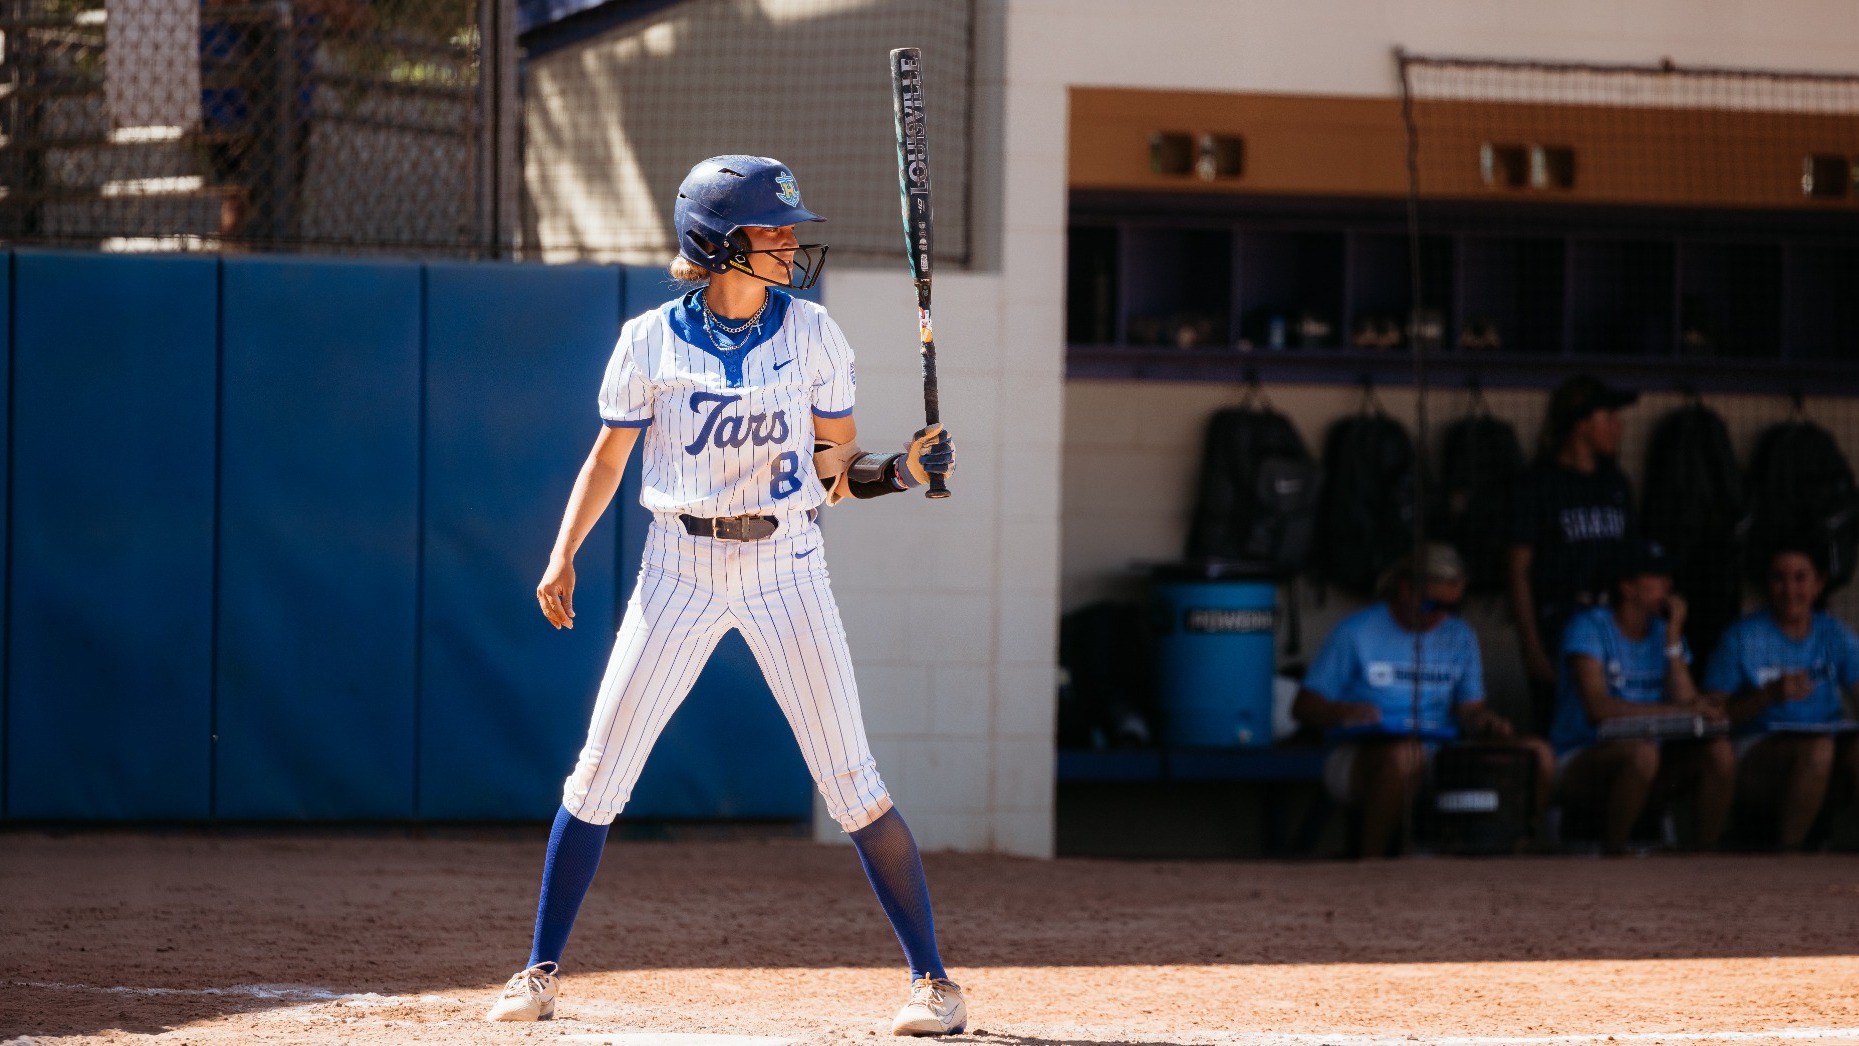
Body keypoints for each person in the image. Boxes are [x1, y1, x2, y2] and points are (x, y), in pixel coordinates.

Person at [484, 156, 965, 1036]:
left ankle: (934, 984)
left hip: (787, 564)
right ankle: (538, 971)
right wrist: (563, 556)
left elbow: (833, 479)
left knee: (853, 784)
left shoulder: (814, 335)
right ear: (714, 244)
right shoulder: (647, 341)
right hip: (677, 566)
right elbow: (607, 461)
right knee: (598, 774)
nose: (789, 241)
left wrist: (900, 469)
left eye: (787, 228)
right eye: (770, 229)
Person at [1292, 544, 1550, 858]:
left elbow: (1471, 708)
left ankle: (1517, 858)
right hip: (1362, 754)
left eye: (1453, 608)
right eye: (1432, 605)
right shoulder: (1356, 632)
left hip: (1441, 753)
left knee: (1537, 754)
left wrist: (1484, 721)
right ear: (1405, 589)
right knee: (1405, 756)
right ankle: (1369, 864)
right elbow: (1303, 707)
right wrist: (1345, 711)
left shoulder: (1460, 635)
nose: (1442, 616)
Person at [1550, 539, 1733, 854]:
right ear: (1628, 586)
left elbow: (1691, 708)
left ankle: (1706, 855)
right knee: (1642, 754)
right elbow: (1598, 708)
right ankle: (1615, 853)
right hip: (1583, 756)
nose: (1668, 584)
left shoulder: (1663, 630)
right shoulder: (1589, 626)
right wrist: (1677, 712)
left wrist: (1673, 638)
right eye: (1657, 576)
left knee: (1718, 752)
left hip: (1651, 762)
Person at [1701, 546, 1859, 850]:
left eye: (1801, 578)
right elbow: (1712, 713)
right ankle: (1788, 859)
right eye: (1779, 579)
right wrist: (1768, 696)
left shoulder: (1833, 633)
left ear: (1819, 583)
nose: (1790, 590)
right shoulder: (1742, 636)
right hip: (1756, 756)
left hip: (1825, 753)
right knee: (1819, 749)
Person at [1510, 375, 1639, 735]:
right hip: (1559, 626)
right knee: (1559, 730)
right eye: (1609, 416)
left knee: (1614, 728)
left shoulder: (1616, 484)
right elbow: (1518, 570)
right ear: (1582, 424)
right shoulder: (1538, 484)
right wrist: (1532, 648)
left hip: (1613, 627)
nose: (1619, 425)